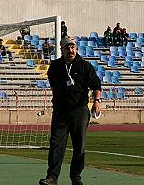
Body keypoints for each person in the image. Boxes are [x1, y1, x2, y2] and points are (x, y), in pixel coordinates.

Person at [39, 37, 102, 185]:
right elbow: (54, 86)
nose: (70, 50)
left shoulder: (85, 66)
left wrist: (97, 102)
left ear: (76, 48)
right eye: (67, 47)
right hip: (60, 112)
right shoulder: (55, 66)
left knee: (79, 146)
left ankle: (76, 177)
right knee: (56, 144)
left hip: (79, 111)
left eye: (73, 47)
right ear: (62, 50)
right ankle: (52, 177)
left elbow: (96, 85)